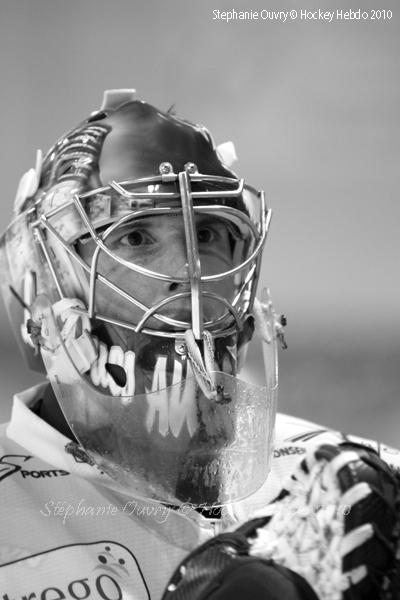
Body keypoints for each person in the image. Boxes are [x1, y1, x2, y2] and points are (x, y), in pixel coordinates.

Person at [0, 89, 399, 599]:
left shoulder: (347, 482)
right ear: (44, 286)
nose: (188, 270)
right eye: (135, 237)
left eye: (207, 234)